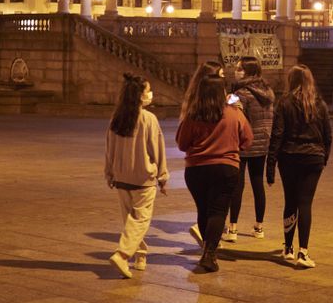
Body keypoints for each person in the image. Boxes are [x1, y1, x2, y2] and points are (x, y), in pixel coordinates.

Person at [177, 74, 253, 272]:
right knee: (218, 211)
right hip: (226, 168)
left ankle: (207, 250)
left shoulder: (193, 115)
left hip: (196, 170)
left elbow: (182, 143)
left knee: (203, 210)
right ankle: (210, 253)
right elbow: (248, 139)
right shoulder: (234, 113)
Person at [267, 64, 332, 269]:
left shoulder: (284, 103)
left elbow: (277, 135)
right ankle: (303, 252)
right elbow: (328, 136)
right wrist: (323, 158)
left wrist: (271, 164)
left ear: (291, 81)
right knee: (305, 203)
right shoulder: (319, 104)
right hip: (313, 159)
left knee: (290, 201)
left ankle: (288, 248)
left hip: (289, 157)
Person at [105, 74, 169, 279]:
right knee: (140, 221)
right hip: (143, 179)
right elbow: (157, 149)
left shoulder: (116, 118)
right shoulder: (149, 119)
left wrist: (109, 172)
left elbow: (109, 149)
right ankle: (123, 254)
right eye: (147, 90)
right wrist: (162, 175)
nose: (150, 93)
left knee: (130, 221)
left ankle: (140, 255)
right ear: (140, 96)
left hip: (122, 178)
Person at [222, 56, 275, 242]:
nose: (236, 71)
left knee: (238, 185)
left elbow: (229, 117)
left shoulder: (240, 94)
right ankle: (259, 227)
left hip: (243, 143)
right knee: (257, 183)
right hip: (262, 143)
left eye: (239, 69)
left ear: (248, 72)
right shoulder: (267, 91)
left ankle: (233, 228)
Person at [179, 60, 224, 247]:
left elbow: (183, 141)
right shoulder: (200, 106)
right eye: (220, 75)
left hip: (197, 164)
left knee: (207, 206)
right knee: (214, 207)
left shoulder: (194, 102)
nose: (223, 79)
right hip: (212, 160)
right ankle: (210, 240)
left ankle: (209, 239)